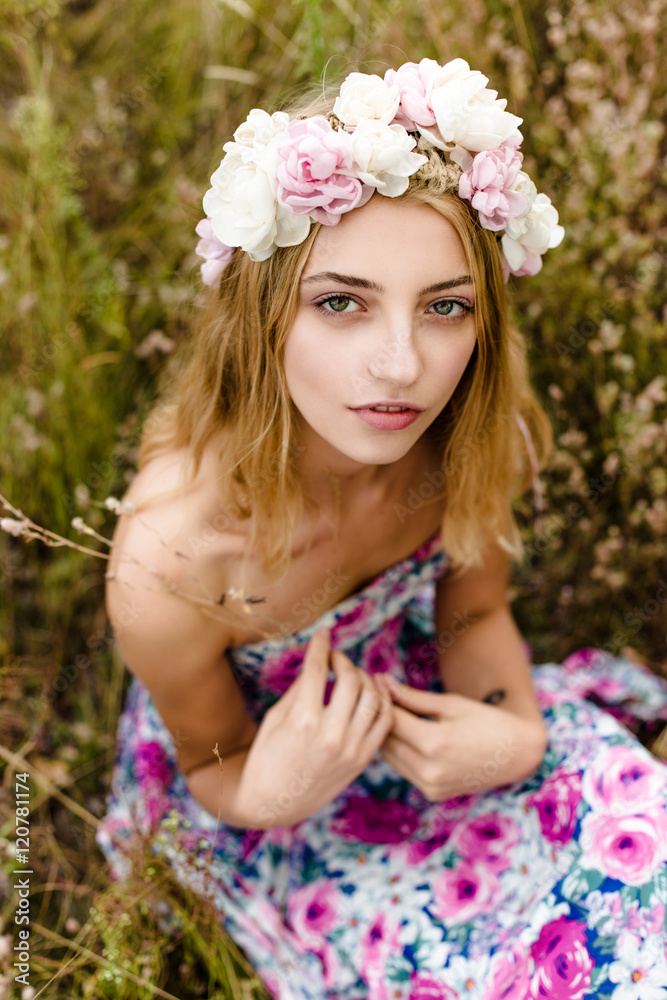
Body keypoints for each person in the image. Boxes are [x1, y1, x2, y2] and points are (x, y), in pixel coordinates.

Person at [96, 57, 667, 999]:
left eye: (445, 307)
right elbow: (212, 760)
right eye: (340, 302)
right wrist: (269, 790)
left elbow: (473, 615)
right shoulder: (173, 557)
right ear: (261, 313)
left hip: (441, 718)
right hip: (282, 799)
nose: (401, 365)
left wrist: (509, 732)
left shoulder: (474, 441)